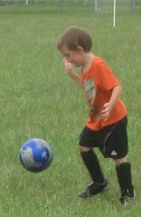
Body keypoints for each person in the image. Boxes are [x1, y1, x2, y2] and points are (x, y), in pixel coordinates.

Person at [58, 26, 136, 205]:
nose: (67, 60)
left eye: (68, 55)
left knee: (118, 157)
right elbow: (89, 88)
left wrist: (111, 105)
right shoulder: (84, 66)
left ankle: (128, 194)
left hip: (113, 119)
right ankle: (100, 182)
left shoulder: (98, 65)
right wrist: (72, 75)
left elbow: (117, 86)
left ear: (80, 50)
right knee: (83, 146)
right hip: (96, 118)